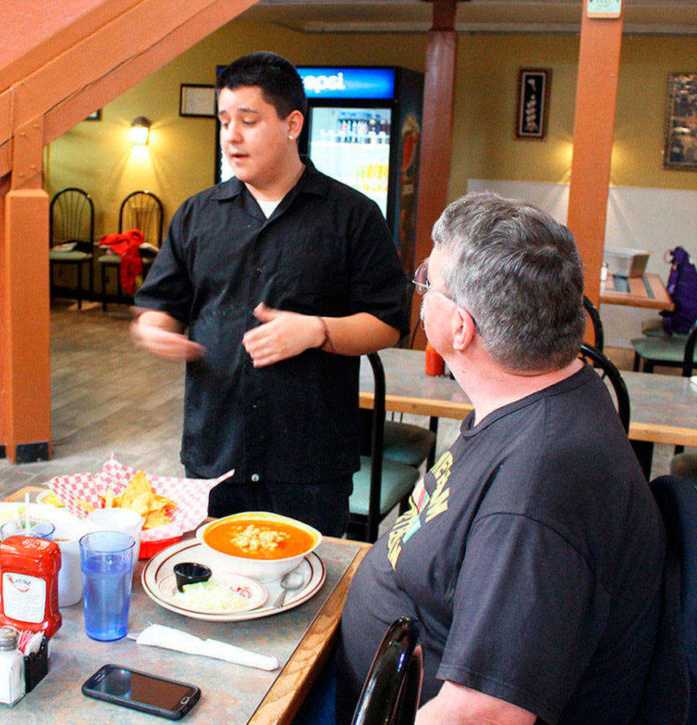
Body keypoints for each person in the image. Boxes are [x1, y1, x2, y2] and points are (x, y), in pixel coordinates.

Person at [336, 193, 685, 723]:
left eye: (430, 280)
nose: (421, 286)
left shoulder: (539, 490)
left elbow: (484, 713)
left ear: (460, 327)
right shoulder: (544, 397)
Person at [131, 51, 408, 537]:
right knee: (216, 586)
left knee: (309, 596)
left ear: (292, 124)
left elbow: (387, 322)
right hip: (217, 452)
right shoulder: (198, 215)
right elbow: (160, 307)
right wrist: (156, 331)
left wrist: (317, 331)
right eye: (224, 121)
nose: (231, 136)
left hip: (310, 459)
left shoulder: (353, 215)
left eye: (248, 120)